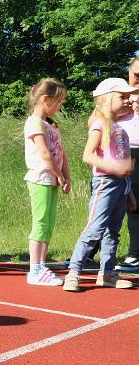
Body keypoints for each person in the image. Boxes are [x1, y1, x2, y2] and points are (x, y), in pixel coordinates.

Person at [64, 78, 137, 292]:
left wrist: (129, 192)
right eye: (122, 96)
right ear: (105, 99)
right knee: (95, 229)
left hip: (121, 186)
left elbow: (124, 162)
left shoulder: (121, 129)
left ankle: (107, 274)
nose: (128, 100)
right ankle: (74, 272)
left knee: (113, 232)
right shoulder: (99, 125)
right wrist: (113, 168)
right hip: (105, 184)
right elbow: (88, 155)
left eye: (129, 97)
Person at [23, 78, 71, 286]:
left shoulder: (50, 124)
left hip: (52, 179)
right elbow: (45, 153)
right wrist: (59, 175)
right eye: (58, 101)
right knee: (41, 222)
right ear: (45, 99)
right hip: (40, 178)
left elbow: (61, 152)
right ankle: (34, 270)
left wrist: (66, 175)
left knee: (49, 224)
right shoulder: (34, 123)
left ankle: (41, 265)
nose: (60, 105)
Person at [116, 56, 139, 272]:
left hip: (137, 153)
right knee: (104, 205)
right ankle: (89, 252)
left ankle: (135, 255)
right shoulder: (118, 92)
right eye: (136, 75)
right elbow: (95, 120)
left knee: (135, 206)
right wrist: (123, 107)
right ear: (129, 73)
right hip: (114, 153)